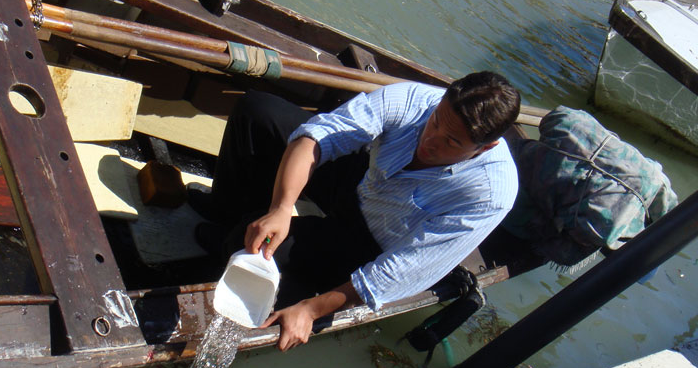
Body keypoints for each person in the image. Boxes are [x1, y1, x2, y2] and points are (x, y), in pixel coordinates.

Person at [191, 71, 521, 352]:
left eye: (450, 142)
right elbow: (317, 138)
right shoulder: (416, 100)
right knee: (257, 111)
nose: (430, 140)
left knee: (241, 245)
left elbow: (399, 272)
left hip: (371, 241)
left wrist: (310, 310)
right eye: (435, 121)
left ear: (485, 147)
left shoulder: (490, 195)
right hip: (361, 180)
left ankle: (247, 248)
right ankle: (227, 214)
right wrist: (281, 207)